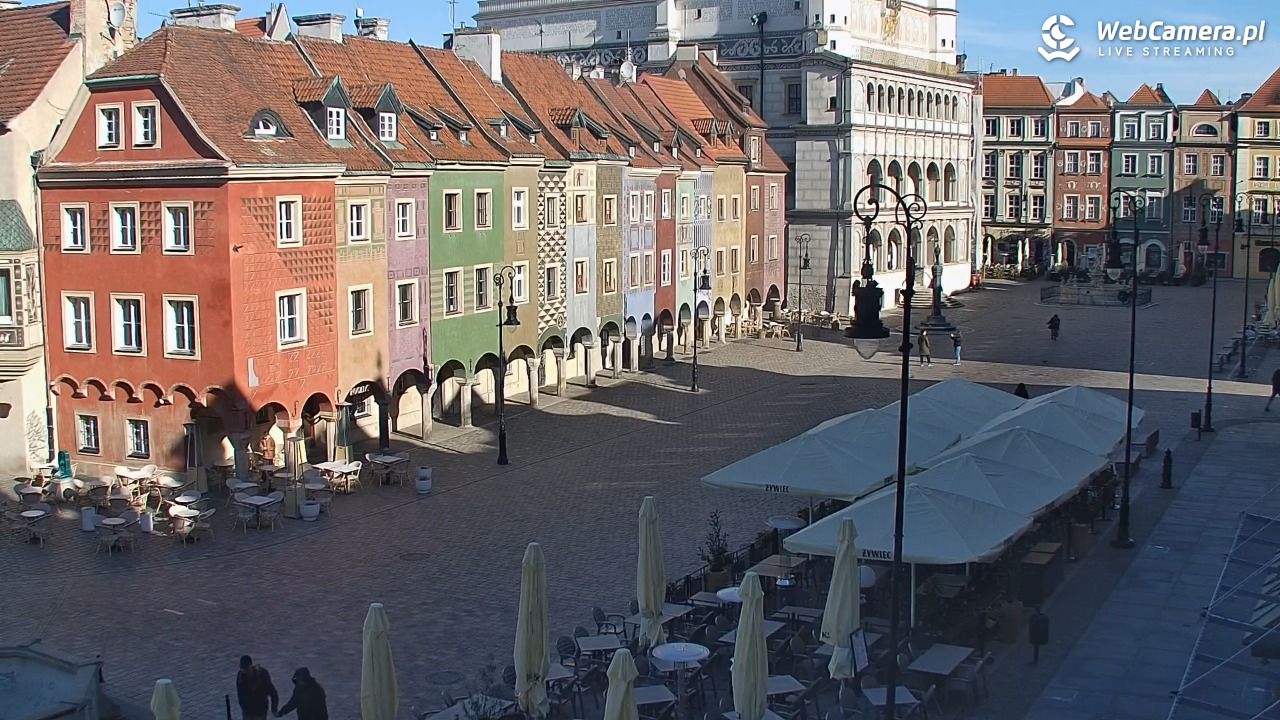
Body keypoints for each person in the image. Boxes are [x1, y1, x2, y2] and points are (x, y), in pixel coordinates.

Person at [236, 656, 279, 720]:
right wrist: (243, 707)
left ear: (251, 666)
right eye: (242, 669)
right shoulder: (240, 676)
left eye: (247, 669)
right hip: (247, 712)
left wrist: (274, 709)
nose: (245, 671)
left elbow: (273, 693)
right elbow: (240, 694)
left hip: (260, 713)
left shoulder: (262, 675)